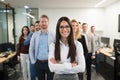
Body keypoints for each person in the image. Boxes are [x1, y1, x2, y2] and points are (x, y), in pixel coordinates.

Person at [29, 14, 54, 80]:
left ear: (48, 23)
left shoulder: (53, 34)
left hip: (50, 62)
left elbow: (57, 48)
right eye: (42, 21)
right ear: (39, 23)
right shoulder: (35, 35)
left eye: (45, 21)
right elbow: (31, 49)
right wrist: (33, 61)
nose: (44, 23)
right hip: (38, 63)